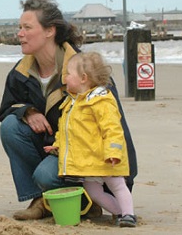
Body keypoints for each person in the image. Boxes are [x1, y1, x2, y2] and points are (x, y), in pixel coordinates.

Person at [0, 0, 137, 221]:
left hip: (91, 158)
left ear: (50, 30)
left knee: (45, 175)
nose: (20, 34)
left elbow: (117, 129)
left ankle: (86, 199)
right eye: (19, 27)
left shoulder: (86, 73)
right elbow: (6, 109)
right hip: (56, 148)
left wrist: (120, 184)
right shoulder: (20, 73)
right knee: (10, 126)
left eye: (27, 28)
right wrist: (27, 112)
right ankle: (40, 200)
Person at [44, 52, 137, 227]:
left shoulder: (101, 101)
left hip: (105, 158)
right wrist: (56, 145)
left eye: (69, 74)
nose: (64, 79)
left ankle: (129, 214)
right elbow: (66, 131)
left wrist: (113, 152)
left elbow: (113, 129)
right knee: (93, 192)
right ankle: (119, 212)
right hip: (88, 162)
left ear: (83, 78)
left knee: (117, 186)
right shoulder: (72, 103)